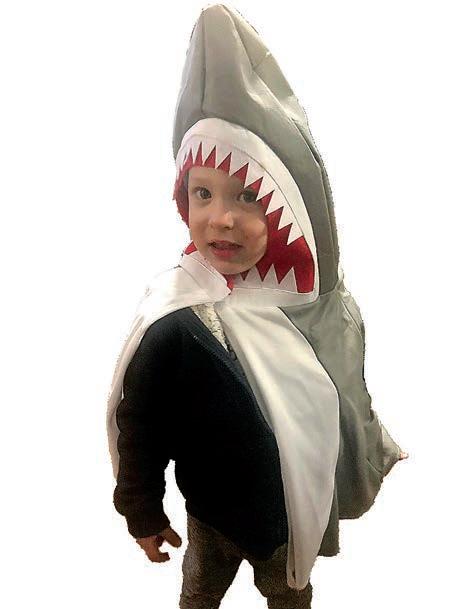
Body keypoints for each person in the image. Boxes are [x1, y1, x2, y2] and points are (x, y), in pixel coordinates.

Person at [106, 5, 409, 609]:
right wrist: (143, 511)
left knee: (288, 597)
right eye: (203, 193)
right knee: (199, 594)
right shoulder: (175, 323)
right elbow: (141, 423)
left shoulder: (316, 315)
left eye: (248, 196)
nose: (220, 217)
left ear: (284, 207)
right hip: (209, 515)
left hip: (285, 521)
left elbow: (347, 398)